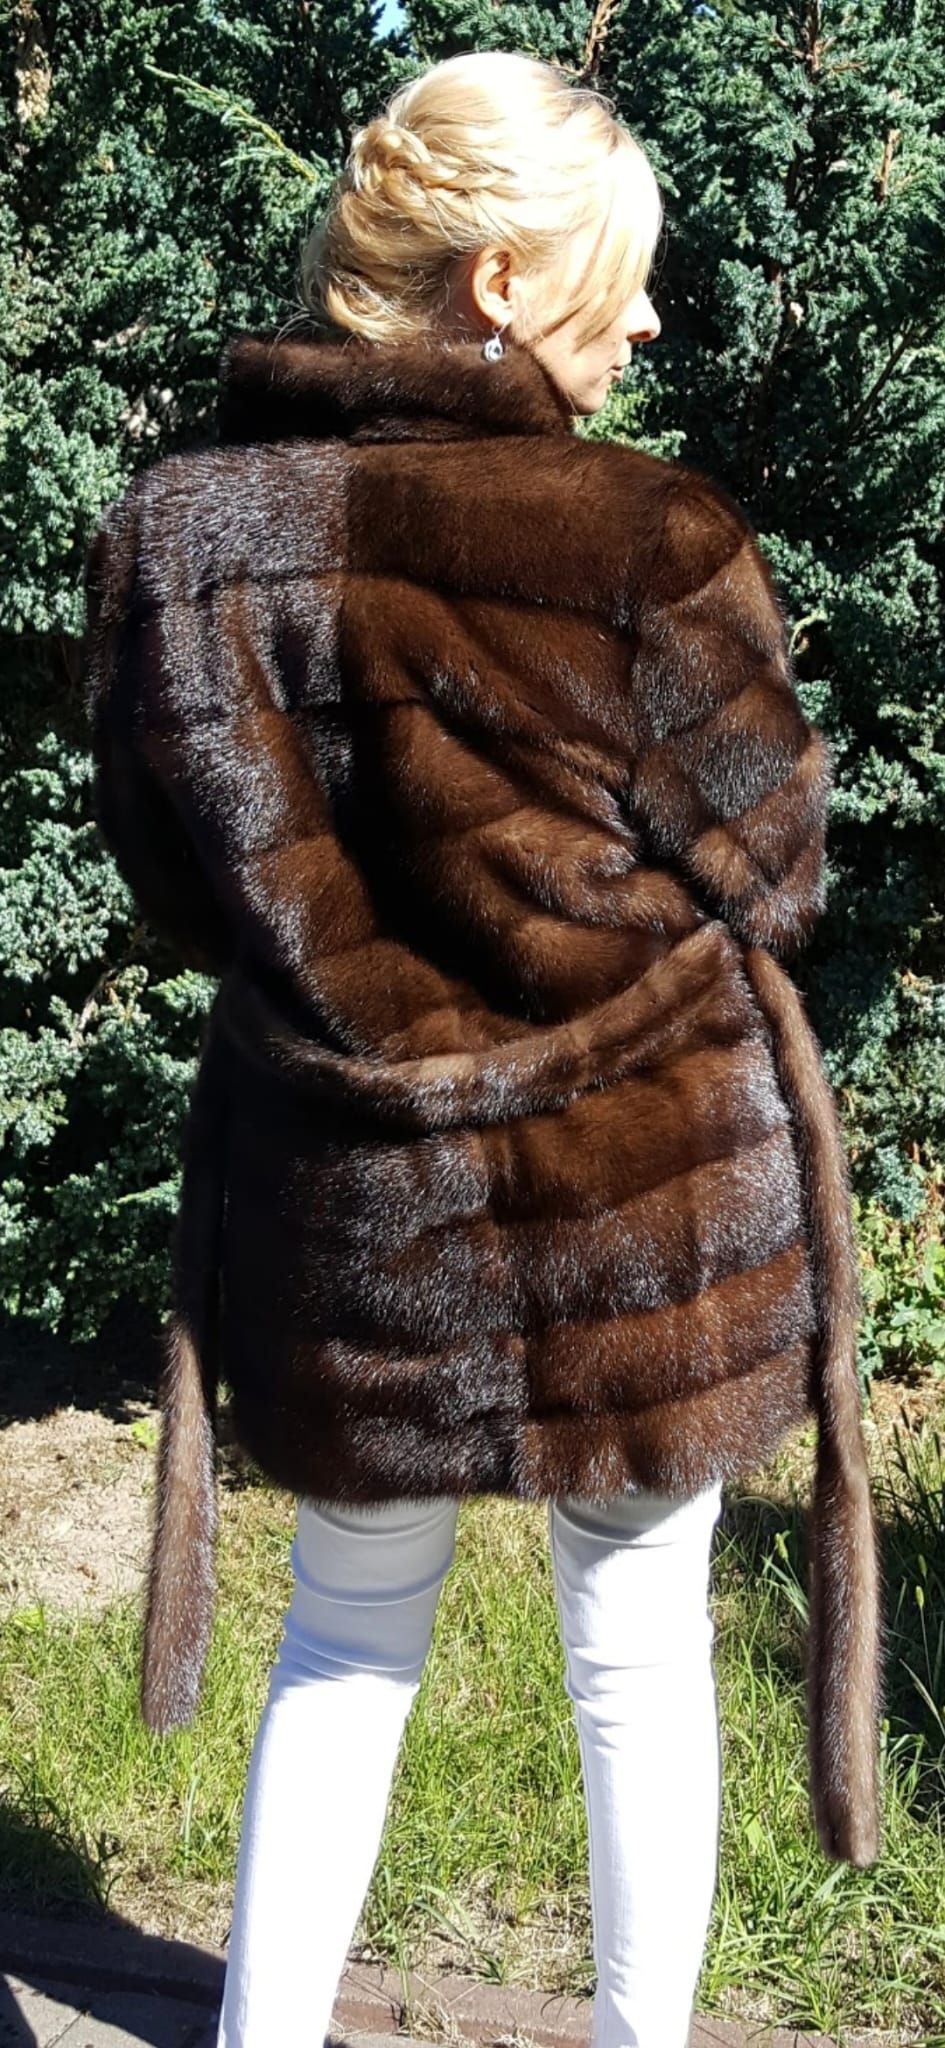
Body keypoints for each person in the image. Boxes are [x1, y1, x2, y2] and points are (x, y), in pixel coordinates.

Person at [81, 48, 883, 2048]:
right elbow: (774, 870)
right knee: (632, 1655)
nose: (647, 314)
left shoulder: (185, 542)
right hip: (644, 1207)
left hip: (362, 1203)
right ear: (501, 279)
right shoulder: (643, 537)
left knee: (343, 1644)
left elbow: (179, 882)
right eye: (618, 270)